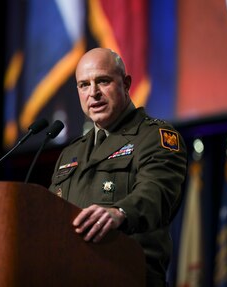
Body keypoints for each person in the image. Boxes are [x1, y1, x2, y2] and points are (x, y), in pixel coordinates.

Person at [49, 47, 188, 286]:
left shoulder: (154, 137)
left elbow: (156, 193)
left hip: (130, 276)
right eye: (84, 85)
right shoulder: (70, 153)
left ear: (126, 84)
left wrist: (120, 212)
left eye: (102, 81)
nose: (93, 93)